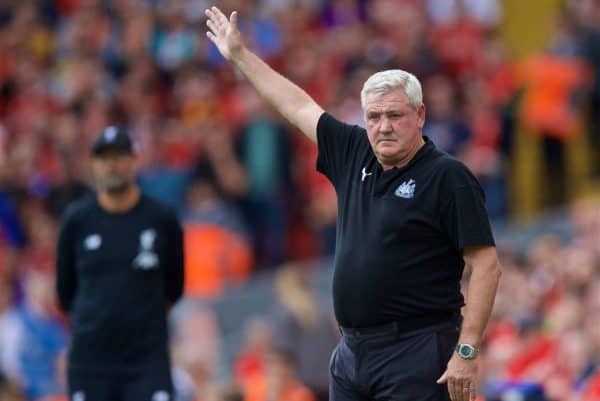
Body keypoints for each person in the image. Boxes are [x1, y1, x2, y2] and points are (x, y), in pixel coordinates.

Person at [205, 6, 502, 401]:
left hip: (417, 348)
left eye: (395, 116)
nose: (383, 127)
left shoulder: (447, 176)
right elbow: (296, 106)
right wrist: (241, 56)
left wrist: (466, 351)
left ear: (420, 115)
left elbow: (486, 265)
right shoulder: (354, 151)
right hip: (352, 352)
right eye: (374, 117)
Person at [55, 126, 184, 401]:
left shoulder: (161, 219)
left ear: (134, 160)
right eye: (104, 158)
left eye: (119, 156)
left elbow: (175, 286)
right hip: (91, 361)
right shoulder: (76, 221)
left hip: (146, 360)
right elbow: (65, 292)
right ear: (93, 164)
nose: (111, 165)